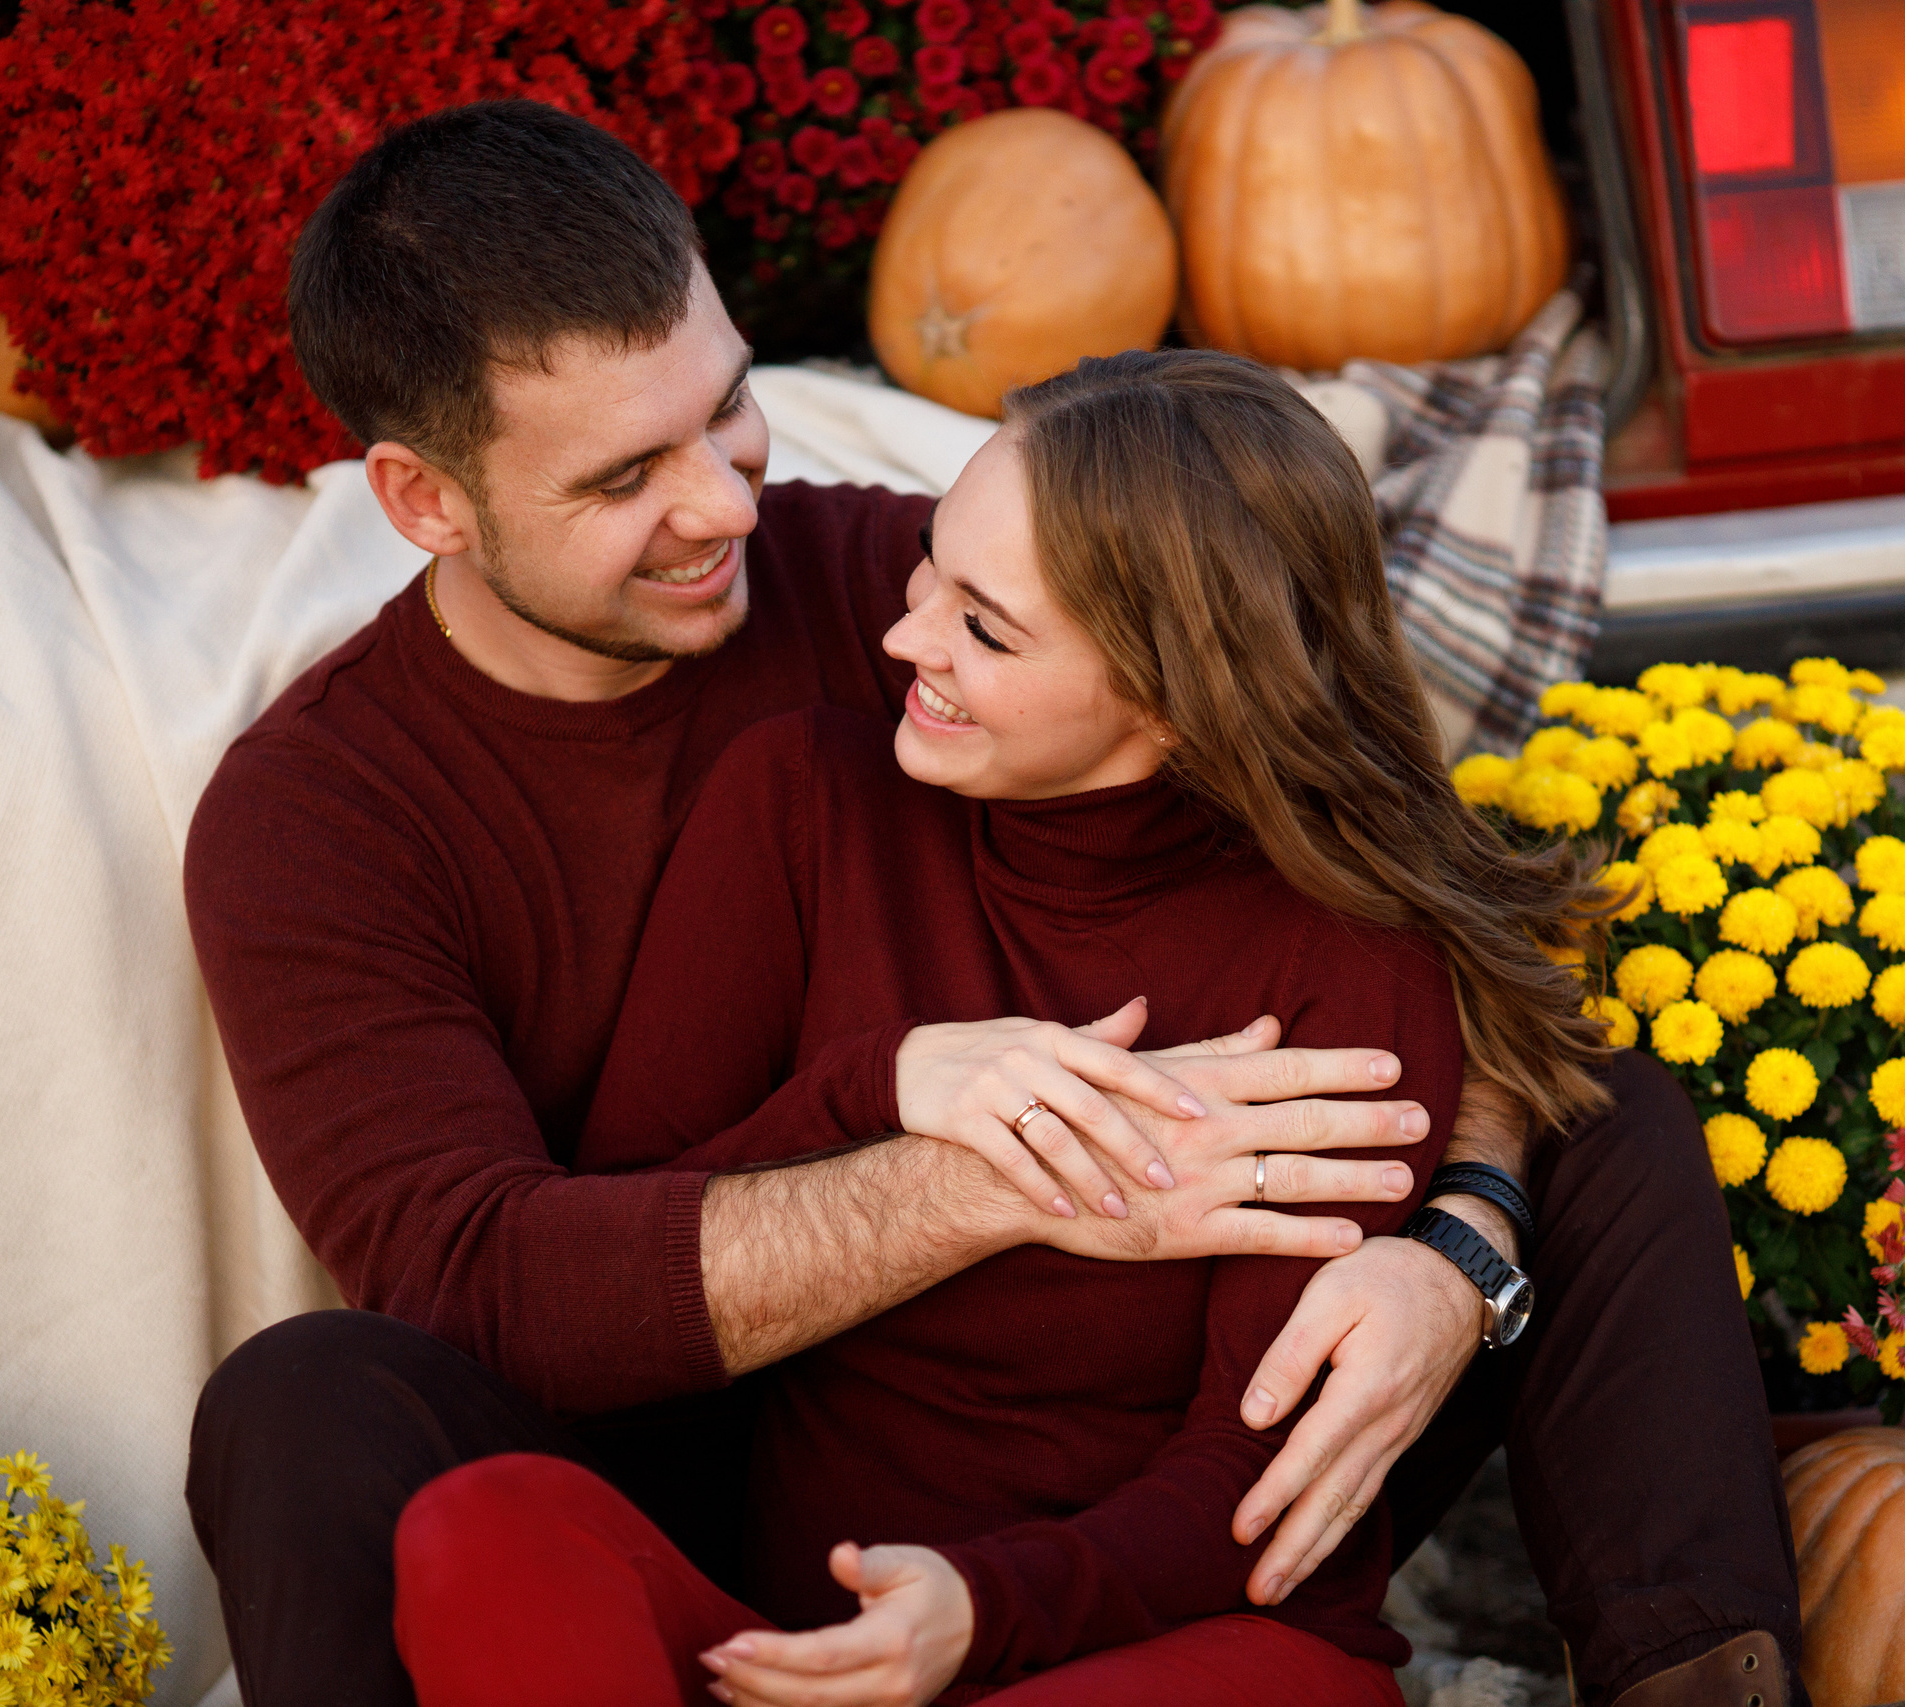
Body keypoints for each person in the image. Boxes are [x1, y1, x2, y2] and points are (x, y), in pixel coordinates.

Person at [182, 99, 1803, 1707]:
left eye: (729, 407)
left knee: (1603, 1110)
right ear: (426, 501)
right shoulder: (319, 819)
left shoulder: (911, 585)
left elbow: (1422, 889)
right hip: (679, 1450)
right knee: (304, 1405)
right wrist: (975, 1156)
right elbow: (487, 1290)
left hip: (1160, 1474)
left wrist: (1460, 1247)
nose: (728, 507)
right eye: (623, 478)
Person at [386, 346, 1621, 1707]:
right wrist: (885, 1085)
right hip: (786, 1645)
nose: (907, 638)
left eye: (985, 628)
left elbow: (1258, 1473)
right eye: (930, 567)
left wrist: (977, 1614)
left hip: (1143, 1642)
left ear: (1172, 697)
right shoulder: (802, 802)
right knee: (482, 1527)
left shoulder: (1337, 956)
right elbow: (634, 1259)